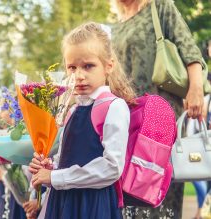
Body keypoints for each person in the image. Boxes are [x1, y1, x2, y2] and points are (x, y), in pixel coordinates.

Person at [29, 22, 134, 219]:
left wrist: (56, 177)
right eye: (72, 67)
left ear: (108, 66)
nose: (79, 75)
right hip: (64, 202)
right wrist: (49, 167)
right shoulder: (73, 109)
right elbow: (67, 158)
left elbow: (111, 168)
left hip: (92, 205)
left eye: (88, 66)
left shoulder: (113, 106)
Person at [111, 0, 205, 218]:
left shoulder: (160, 7)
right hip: (127, 124)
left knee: (160, 199)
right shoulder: (118, 25)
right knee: (129, 201)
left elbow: (190, 50)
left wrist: (196, 90)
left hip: (159, 122)